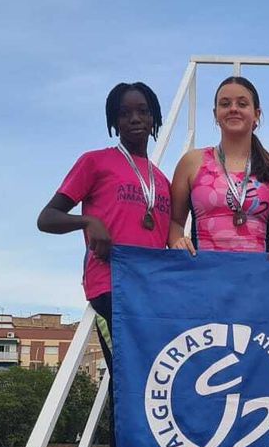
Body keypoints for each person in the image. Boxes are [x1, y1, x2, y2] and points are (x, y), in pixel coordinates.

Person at [36, 81, 172, 357]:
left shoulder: (162, 180)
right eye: (124, 113)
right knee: (124, 380)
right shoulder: (95, 162)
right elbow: (47, 218)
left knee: (151, 382)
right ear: (114, 121)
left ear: (154, 117)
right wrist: (88, 222)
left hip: (151, 292)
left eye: (142, 111)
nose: (134, 119)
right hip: (112, 287)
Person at [168, 76, 269, 257]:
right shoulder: (192, 162)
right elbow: (175, 222)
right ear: (215, 114)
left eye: (242, 104)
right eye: (225, 104)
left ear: (256, 114)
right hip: (205, 276)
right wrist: (177, 241)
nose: (233, 109)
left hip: (256, 280)